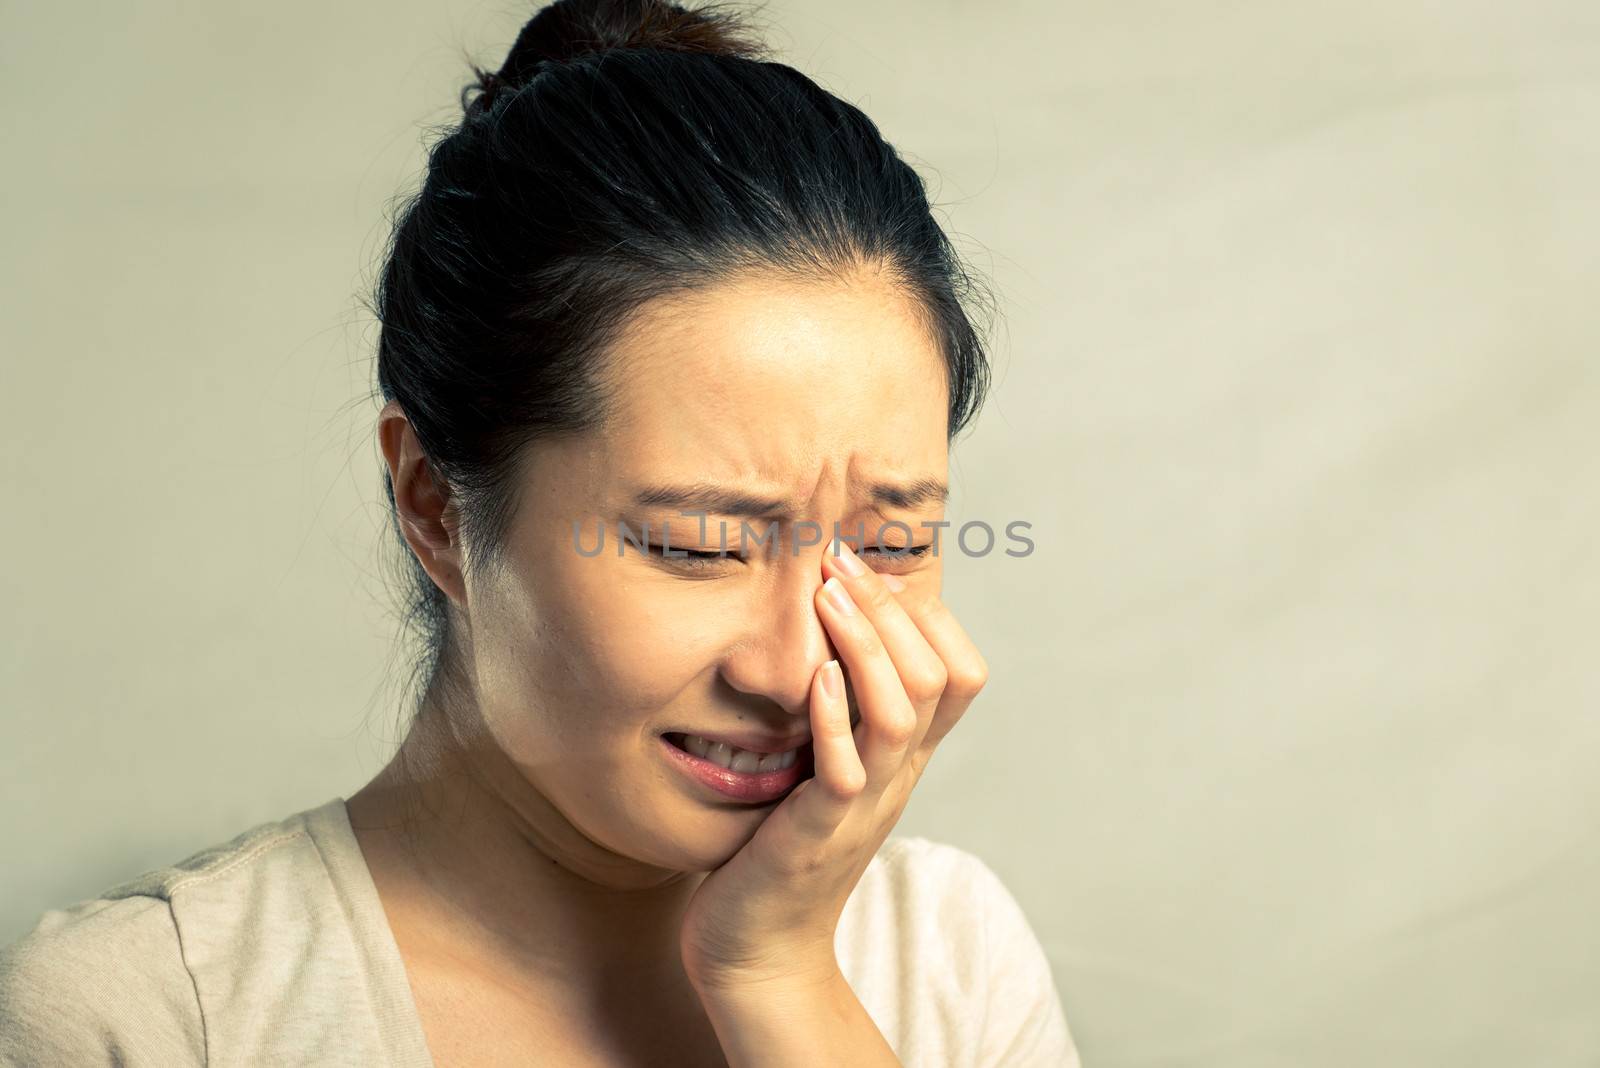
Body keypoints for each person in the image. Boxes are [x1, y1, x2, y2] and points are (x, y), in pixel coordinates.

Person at [0, 0, 1080, 1064]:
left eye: (890, 546)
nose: (801, 669)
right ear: (434, 502)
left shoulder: (948, 960)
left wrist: (780, 979)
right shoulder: (148, 1019)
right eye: (701, 545)